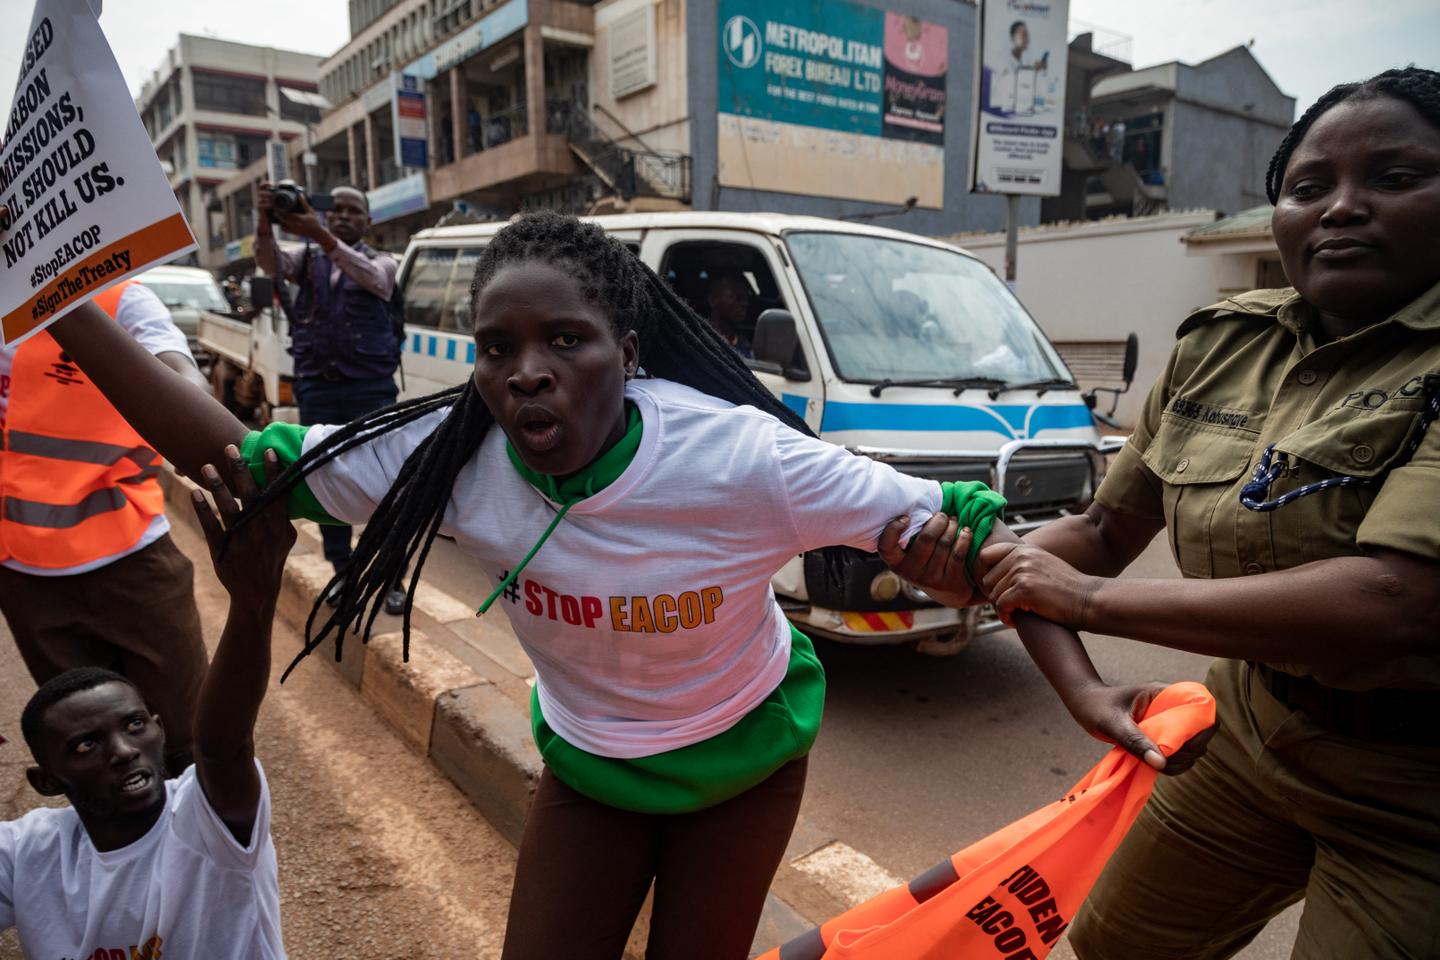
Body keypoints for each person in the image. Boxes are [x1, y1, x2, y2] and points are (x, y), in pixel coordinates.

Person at [42, 212, 1203, 960]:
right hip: (592, 773)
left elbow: (985, 541)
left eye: (567, 341)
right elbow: (223, 452)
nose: (528, 373)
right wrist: (57, 298)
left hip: (744, 768)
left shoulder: (738, 458)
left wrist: (1086, 693)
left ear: (628, 349)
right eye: (499, 349)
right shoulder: (450, 461)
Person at [882, 67, 1440, 959]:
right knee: (1117, 945)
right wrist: (994, 559)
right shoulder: (1224, 346)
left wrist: (1082, 602)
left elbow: (1395, 603)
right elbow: (1103, 535)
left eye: (1396, 177)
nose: (1341, 207)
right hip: (1250, 734)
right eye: (1309, 187)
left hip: (1417, 792)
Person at [0, 445, 294, 957]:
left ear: (161, 728)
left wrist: (253, 603)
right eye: (86, 745)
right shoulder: (27, 853)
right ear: (47, 782)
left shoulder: (208, 823)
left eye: (135, 725)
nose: (123, 750)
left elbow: (222, 745)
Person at [0, 252, 210, 779]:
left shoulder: (121, 300)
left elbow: (188, 385)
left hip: (133, 558)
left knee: (188, 740)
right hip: (25, 574)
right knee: (91, 761)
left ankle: (208, 855)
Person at [254, 181, 407, 614]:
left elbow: (374, 281)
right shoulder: (307, 259)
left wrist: (320, 235)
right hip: (318, 384)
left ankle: (391, 576)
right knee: (325, 480)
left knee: (386, 481)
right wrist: (264, 224)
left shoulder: (382, 261)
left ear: (368, 221)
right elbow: (269, 263)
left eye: (353, 211)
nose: (342, 216)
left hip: (370, 387)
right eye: (334, 209)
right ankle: (344, 573)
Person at [704, 269, 755, 358]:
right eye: (737, 297)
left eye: (746, 298)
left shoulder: (744, 343)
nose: (744, 303)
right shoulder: (702, 339)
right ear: (713, 300)